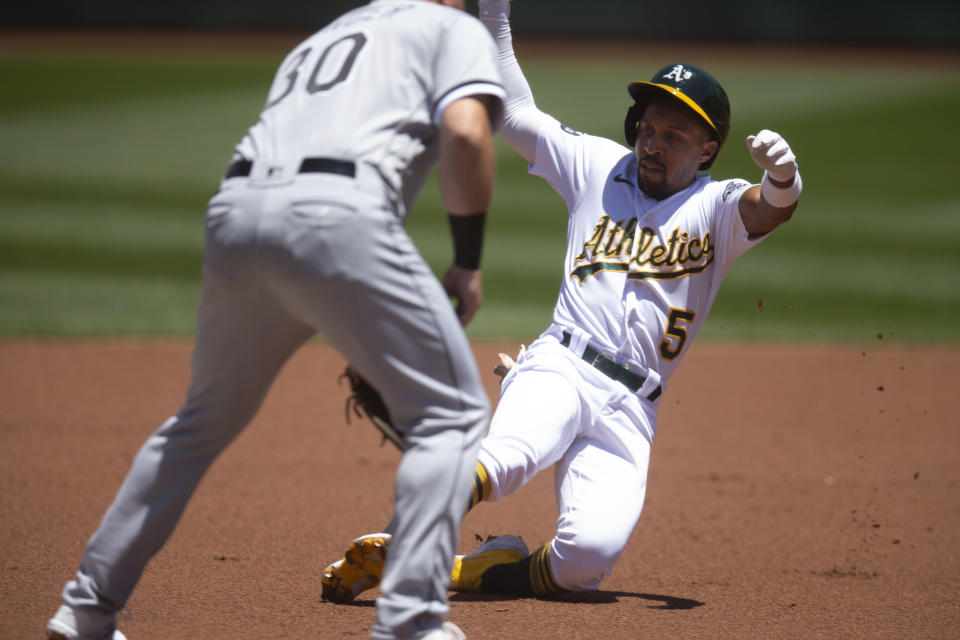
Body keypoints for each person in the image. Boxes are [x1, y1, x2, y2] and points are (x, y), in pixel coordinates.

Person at [45, 2, 504, 639]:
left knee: (198, 422)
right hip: (338, 215)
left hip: (235, 212)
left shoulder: (325, 35)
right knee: (450, 414)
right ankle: (411, 623)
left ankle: (87, 609)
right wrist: (467, 262)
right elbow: (467, 133)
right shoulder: (452, 27)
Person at [320, 0, 802, 602]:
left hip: (632, 407)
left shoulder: (719, 206)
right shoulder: (597, 164)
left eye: (674, 135)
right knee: (506, 459)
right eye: (648, 128)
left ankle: (465, 568)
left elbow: (771, 209)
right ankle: (405, 541)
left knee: (584, 562)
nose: (653, 143)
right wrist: (494, 16)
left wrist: (785, 178)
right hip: (562, 366)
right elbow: (513, 111)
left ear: (708, 148)